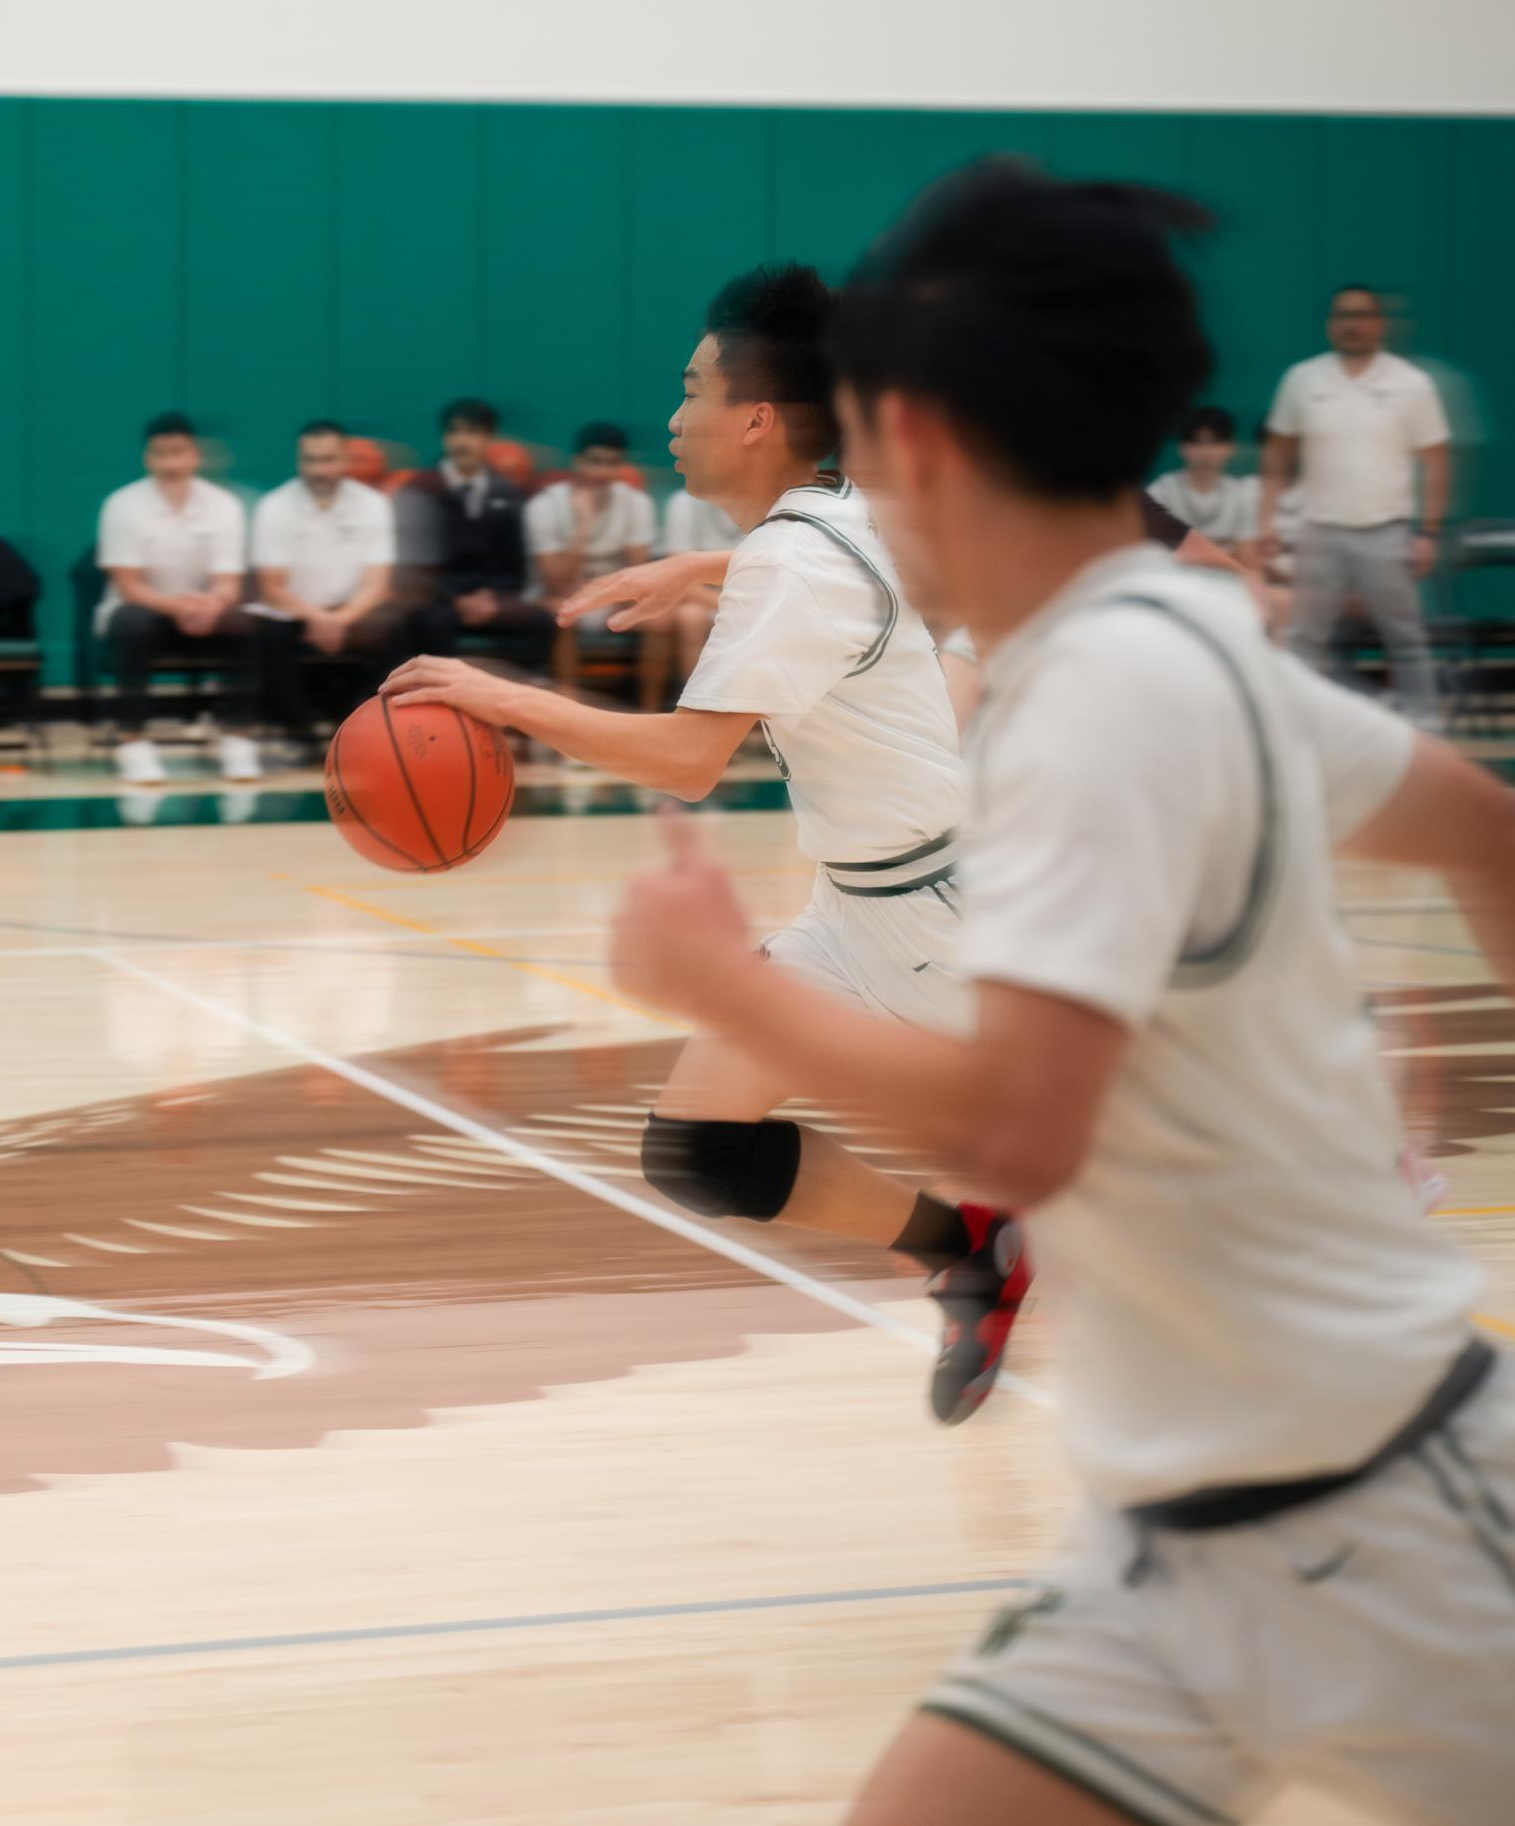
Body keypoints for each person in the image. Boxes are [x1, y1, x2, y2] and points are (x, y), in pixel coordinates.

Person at [609, 162, 1515, 1826]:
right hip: (1177, 1541)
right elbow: (1490, 835)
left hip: (1394, 1512)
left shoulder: (1101, 697)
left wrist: (715, 975)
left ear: (923, 449)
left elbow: (1019, 1122)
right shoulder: (1155, 638)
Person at [387, 265, 1025, 1426]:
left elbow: (688, 761)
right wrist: (694, 563)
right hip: (863, 905)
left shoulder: (799, 554)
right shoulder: (833, 519)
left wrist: (504, 700)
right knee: (700, 1148)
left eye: (690, 391)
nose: (672, 418)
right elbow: (835, 574)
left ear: (756, 418)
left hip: (943, 917)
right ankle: (973, 1250)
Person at [1263, 285, 1451, 727]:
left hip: (1386, 531)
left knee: (1405, 637)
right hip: (1318, 530)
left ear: (1379, 324)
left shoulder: (1411, 384)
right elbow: (1277, 453)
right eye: (1343, 314)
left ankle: (1426, 725)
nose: (1353, 323)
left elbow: (1437, 463)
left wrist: (1429, 532)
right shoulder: (1302, 379)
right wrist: (1266, 520)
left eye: (1363, 314)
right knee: (1305, 638)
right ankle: (1293, 724)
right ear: (1331, 324)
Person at [96, 413, 260, 786]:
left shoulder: (224, 506)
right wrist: (180, 607)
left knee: (246, 622)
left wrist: (212, 605)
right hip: (144, 612)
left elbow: (229, 583)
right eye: (161, 454)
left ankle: (237, 738)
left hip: (203, 612)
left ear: (194, 456)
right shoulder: (121, 505)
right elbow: (128, 585)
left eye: (179, 452)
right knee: (131, 621)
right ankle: (132, 741)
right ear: (147, 459)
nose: (170, 463)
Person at [250, 420, 406, 758]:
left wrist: (341, 618)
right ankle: (300, 735)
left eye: (328, 459)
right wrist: (318, 617)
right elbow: (271, 588)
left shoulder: (372, 505)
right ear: (299, 461)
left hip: (354, 613)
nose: (319, 469)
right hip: (293, 613)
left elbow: (377, 584)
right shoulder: (274, 506)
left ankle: (356, 728)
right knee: (262, 632)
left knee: (408, 626)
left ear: (345, 460)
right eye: (310, 460)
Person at [396, 399, 556, 678]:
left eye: (472, 433)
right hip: (438, 600)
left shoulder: (506, 493)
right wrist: (456, 599)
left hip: (490, 599)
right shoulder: (421, 489)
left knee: (542, 621)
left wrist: (491, 598)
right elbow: (414, 568)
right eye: (455, 433)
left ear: (488, 438)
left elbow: (514, 567)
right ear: (445, 437)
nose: (462, 442)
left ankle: (524, 698)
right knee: (431, 622)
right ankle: (439, 700)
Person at [522, 422, 657, 698]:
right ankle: (569, 706)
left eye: (612, 463)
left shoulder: (636, 503)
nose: (602, 472)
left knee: (661, 622)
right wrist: (582, 526)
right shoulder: (544, 505)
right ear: (577, 461)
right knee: (563, 614)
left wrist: (602, 592)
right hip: (561, 595)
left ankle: (651, 710)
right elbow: (554, 580)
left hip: (615, 593)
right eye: (594, 462)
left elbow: (639, 569)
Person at [636, 488, 744, 710]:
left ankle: (744, 712)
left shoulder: (769, 501)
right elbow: (677, 574)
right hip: (701, 595)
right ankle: (694, 707)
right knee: (688, 617)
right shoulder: (683, 503)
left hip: (746, 592)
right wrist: (731, 604)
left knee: (692, 616)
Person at [1145, 405, 1260, 565]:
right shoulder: (1161, 491)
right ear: (1182, 447)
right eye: (1196, 442)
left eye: (1215, 442)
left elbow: (1248, 556)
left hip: (1226, 581)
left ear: (1230, 447)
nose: (1205, 452)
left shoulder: (1241, 494)